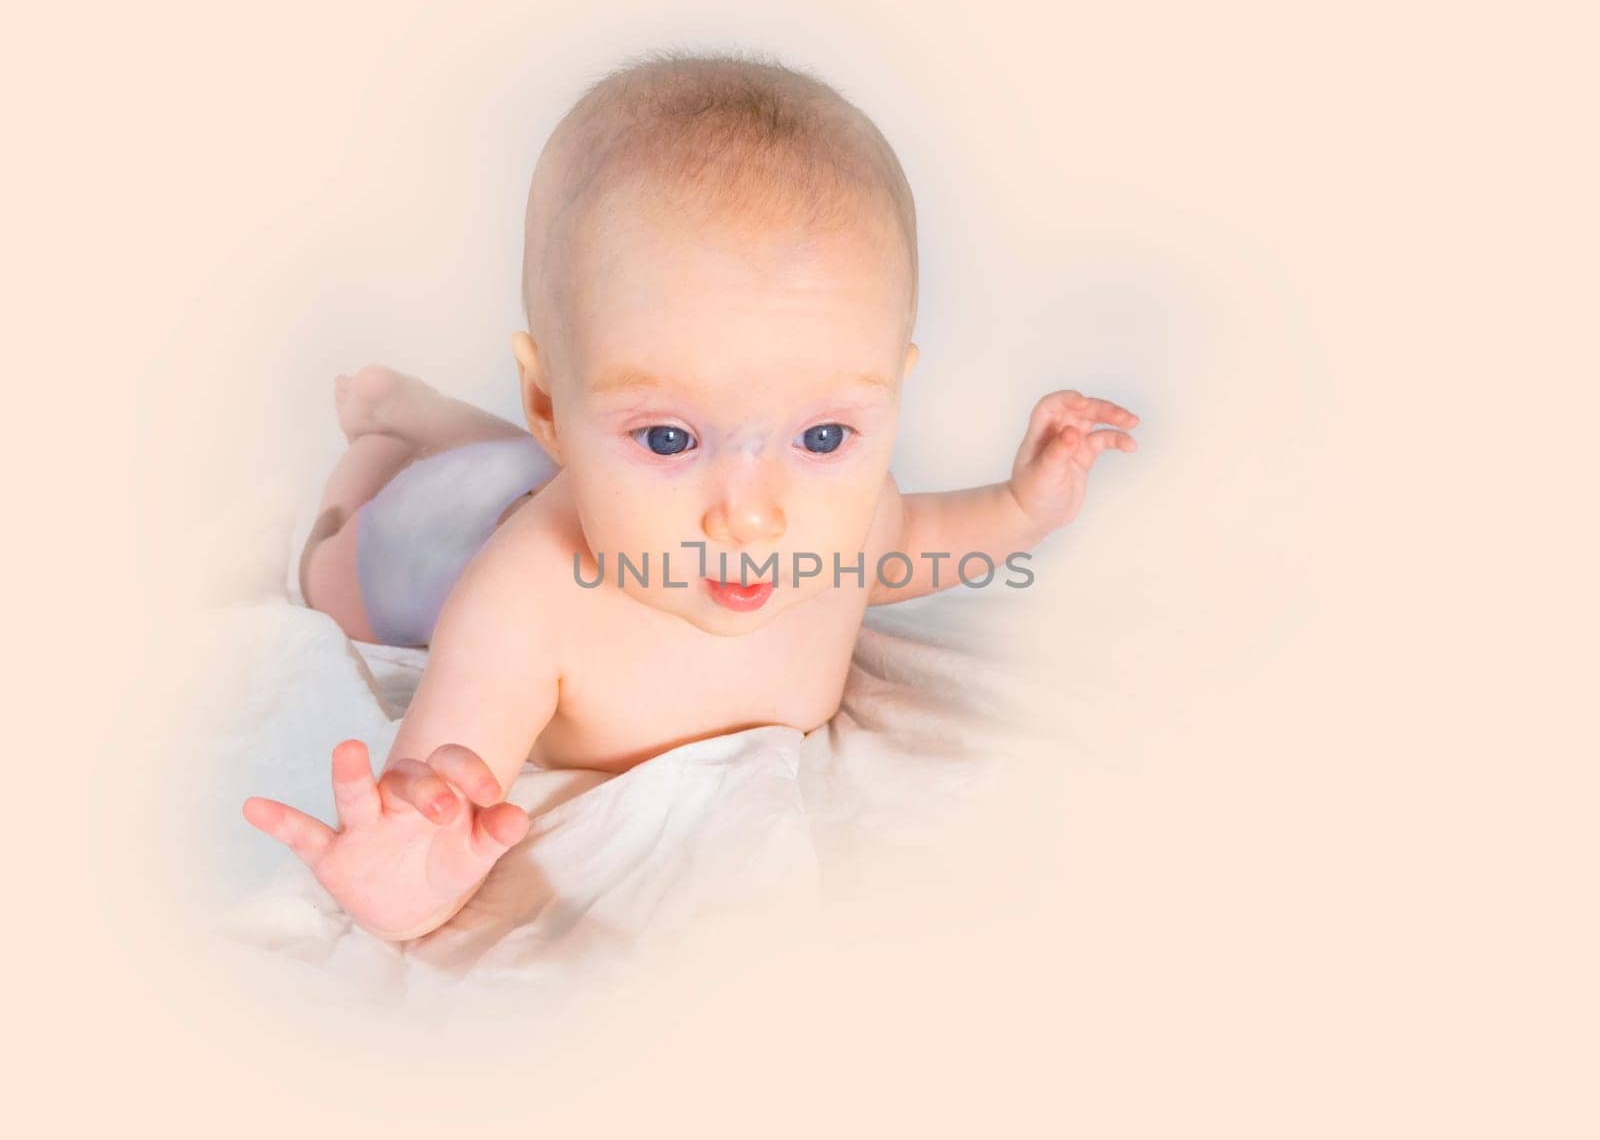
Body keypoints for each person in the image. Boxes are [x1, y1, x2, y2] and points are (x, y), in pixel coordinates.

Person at [243, 51, 1140, 942]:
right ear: (552, 400)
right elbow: (443, 774)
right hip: (442, 538)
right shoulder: (526, 601)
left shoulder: (848, 519)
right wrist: (410, 858)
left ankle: (432, 411)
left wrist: (1024, 508)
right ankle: (386, 438)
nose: (752, 516)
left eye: (823, 437)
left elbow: (922, 544)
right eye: (669, 438)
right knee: (342, 555)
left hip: (550, 470)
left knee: (530, 466)